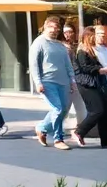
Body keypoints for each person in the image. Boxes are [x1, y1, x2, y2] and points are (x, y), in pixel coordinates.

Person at [31, 16, 78, 150]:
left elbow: (68, 65)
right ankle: (58, 139)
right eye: (51, 27)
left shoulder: (60, 46)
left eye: (57, 28)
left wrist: (72, 80)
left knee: (63, 110)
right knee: (57, 109)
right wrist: (38, 82)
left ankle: (42, 128)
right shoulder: (38, 43)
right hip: (47, 81)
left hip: (63, 82)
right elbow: (34, 65)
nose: (54, 30)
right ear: (45, 27)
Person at [72, 26, 107, 148]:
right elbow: (85, 68)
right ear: (88, 36)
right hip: (86, 84)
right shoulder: (82, 51)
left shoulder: (93, 50)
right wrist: (103, 70)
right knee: (97, 110)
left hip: (98, 83)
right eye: (94, 35)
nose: (96, 37)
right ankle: (79, 132)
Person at [64, 20, 89, 127]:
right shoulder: (62, 47)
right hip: (68, 79)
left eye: (70, 32)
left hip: (79, 79)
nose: (68, 34)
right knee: (65, 106)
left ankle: (82, 127)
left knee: (80, 105)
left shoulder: (78, 46)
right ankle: (55, 127)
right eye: (65, 32)